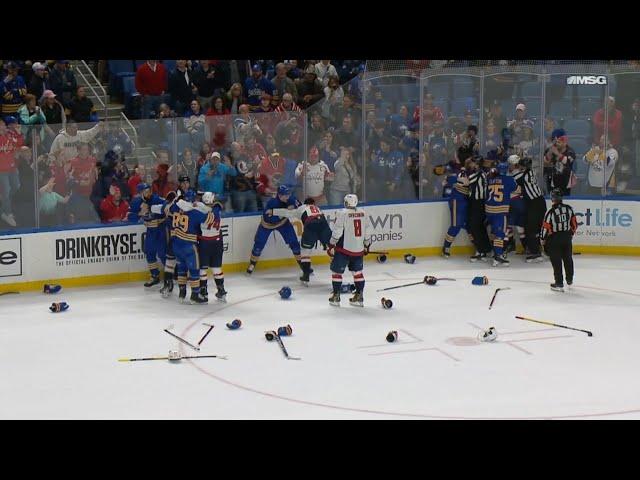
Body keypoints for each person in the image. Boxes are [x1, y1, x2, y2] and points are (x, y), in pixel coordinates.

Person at [268, 197, 332, 285]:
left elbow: (287, 212)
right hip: (324, 225)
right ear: (313, 203)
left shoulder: (302, 208)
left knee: (305, 252)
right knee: (332, 246)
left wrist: (273, 211)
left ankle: (306, 275)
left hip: (311, 226)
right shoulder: (318, 208)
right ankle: (338, 266)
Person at [246, 185, 304, 276]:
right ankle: (252, 264)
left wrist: (297, 207)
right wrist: (286, 211)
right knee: (259, 244)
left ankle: (303, 265)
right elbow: (269, 217)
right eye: (285, 195)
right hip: (267, 225)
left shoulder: (290, 198)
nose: (288, 197)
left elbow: (301, 207)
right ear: (280, 196)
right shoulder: (272, 203)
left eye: (288, 195)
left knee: (294, 242)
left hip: (283, 223)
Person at [327, 194, 371, 307]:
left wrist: (331, 244)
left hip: (344, 249)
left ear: (346, 202)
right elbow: (367, 231)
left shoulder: (342, 213)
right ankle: (359, 296)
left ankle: (336, 296)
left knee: (336, 272)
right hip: (359, 249)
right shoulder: (364, 212)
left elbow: (337, 231)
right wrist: (367, 245)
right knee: (357, 273)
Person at [170, 189, 210, 304]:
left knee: (181, 269)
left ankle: (182, 294)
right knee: (194, 271)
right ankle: (195, 295)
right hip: (189, 246)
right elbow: (210, 219)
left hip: (176, 245)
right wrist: (204, 206)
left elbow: (167, 209)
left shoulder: (176, 207)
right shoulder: (195, 213)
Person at [127, 182, 167, 288]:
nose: (148, 193)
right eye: (146, 191)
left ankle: (170, 274)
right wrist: (140, 213)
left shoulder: (156, 199)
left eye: (149, 190)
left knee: (163, 253)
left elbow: (167, 206)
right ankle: (154, 275)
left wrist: (157, 210)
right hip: (150, 230)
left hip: (161, 229)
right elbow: (129, 216)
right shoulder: (136, 202)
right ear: (140, 193)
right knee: (149, 252)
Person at [541, 188, 577, 292]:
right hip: (566, 238)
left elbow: (545, 227)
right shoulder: (569, 209)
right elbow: (574, 224)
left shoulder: (550, 212)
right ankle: (569, 280)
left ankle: (559, 283)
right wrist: (570, 234)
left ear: (552, 198)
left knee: (556, 262)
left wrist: (543, 239)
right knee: (568, 259)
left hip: (554, 239)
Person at [194, 192, 227, 302]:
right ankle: (221, 290)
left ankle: (203, 292)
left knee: (203, 268)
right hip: (217, 242)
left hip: (204, 243)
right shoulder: (217, 209)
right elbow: (217, 205)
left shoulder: (200, 211)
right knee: (216, 268)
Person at [512, 156, 546, 262]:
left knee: (531, 229)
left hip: (535, 203)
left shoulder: (524, 176)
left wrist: (514, 167)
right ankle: (538, 250)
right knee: (532, 228)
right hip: (538, 202)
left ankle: (536, 253)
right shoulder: (530, 172)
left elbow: (514, 179)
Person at [485, 162, 519, 266]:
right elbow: (518, 190)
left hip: (489, 211)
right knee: (500, 234)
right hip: (500, 211)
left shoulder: (490, 179)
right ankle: (498, 256)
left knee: (494, 232)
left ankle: (495, 251)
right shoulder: (508, 179)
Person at [465, 156, 492, 262]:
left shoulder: (479, 174)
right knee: (479, 227)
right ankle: (485, 249)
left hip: (478, 204)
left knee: (475, 227)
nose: (471, 165)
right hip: (479, 203)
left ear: (477, 164)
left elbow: (465, 182)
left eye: (473, 163)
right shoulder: (482, 174)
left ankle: (482, 251)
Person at [441, 162, 469, 258]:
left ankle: (480, 249)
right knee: (455, 225)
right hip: (457, 202)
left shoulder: (474, 174)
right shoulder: (455, 176)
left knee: (470, 226)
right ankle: (446, 247)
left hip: (466, 203)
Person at [543, 128, 576, 196]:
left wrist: (557, 153)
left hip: (566, 184)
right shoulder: (550, 150)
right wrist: (551, 151)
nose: (563, 142)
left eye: (564, 140)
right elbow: (545, 161)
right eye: (560, 140)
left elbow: (567, 161)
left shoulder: (570, 151)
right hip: (552, 183)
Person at [0, 118, 20, 226]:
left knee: (16, 186)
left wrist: (17, 134)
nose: (3, 127)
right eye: (1, 125)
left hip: (12, 168)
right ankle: (8, 212)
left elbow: (19, 144)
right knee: (6, 190)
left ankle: (3, 210)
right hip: (1, 169)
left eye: (3, 125)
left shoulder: (10, 136)